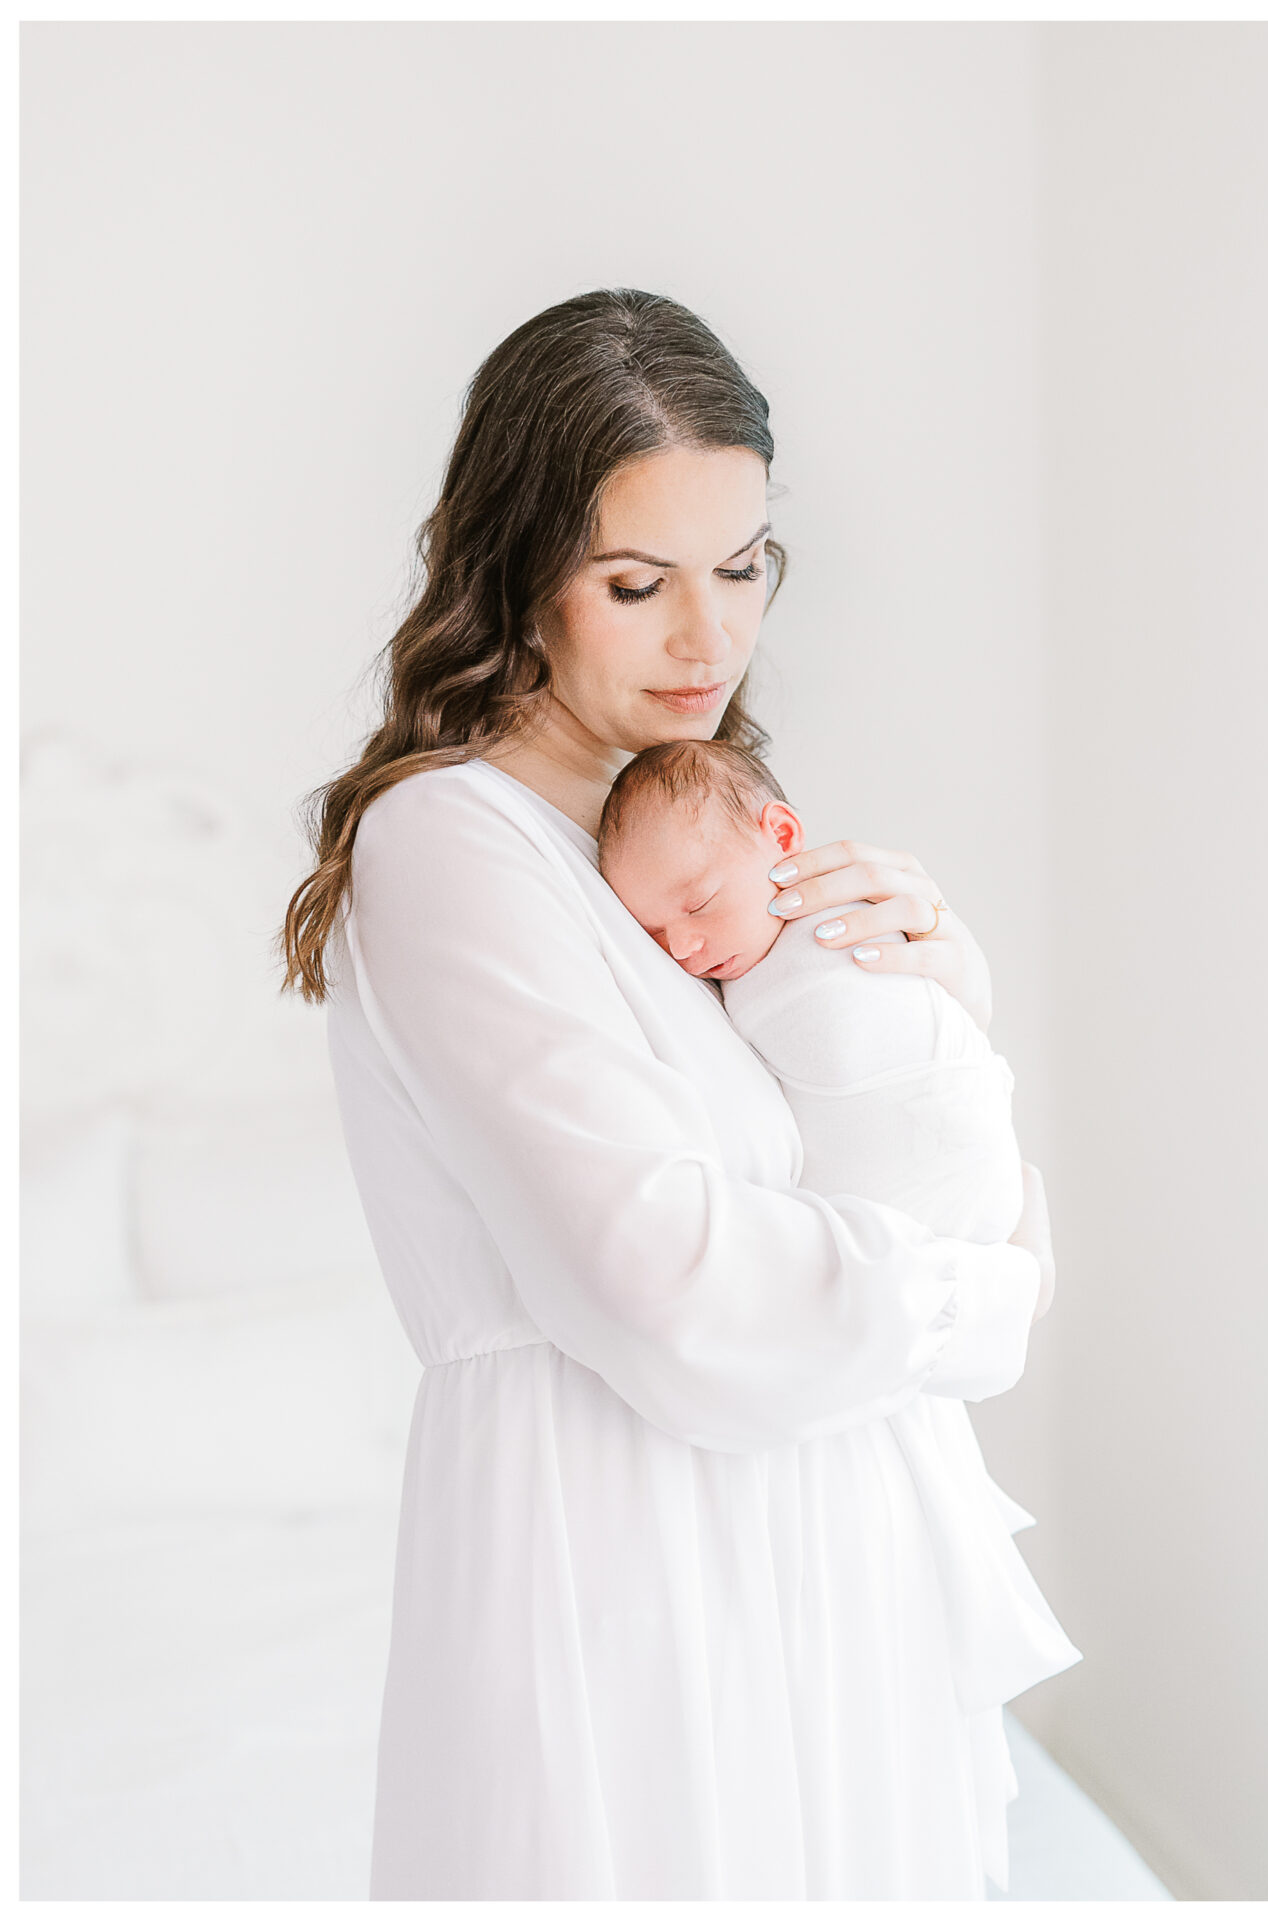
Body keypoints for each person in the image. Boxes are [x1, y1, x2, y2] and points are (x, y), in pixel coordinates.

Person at [280, 287, 1081, 1901]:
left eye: (742, 568)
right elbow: (663, 1288)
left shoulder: (685, 853)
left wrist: (943, 1009)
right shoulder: (451, 845)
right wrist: (973, 1293)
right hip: (624, 1560)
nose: (708, 641)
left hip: (833, 1555)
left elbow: (901, 1195)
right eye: (637, 584)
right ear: (518, 571)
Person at [595, 735, 1032, 1258]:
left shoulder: (860, 906)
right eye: (656, 934)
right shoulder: (715, 981)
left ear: (781, 836)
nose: (683, 947)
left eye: (701, 903)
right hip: (879, 1227)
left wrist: (969, 1001)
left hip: (962, 1158)